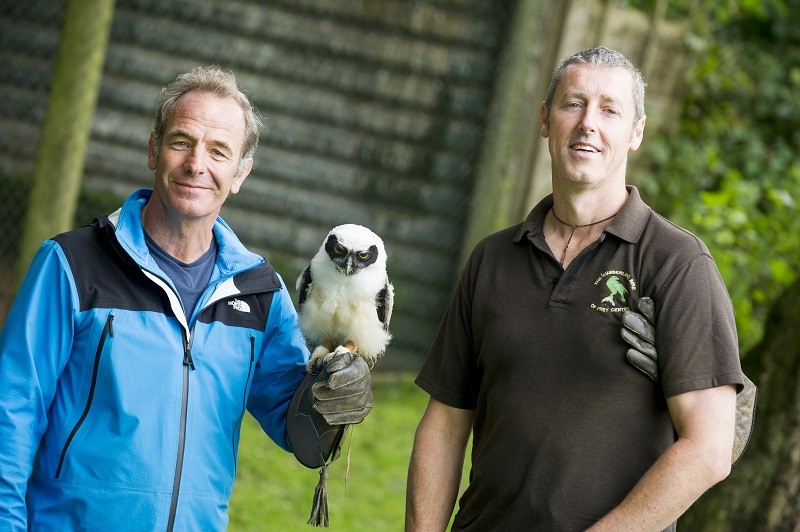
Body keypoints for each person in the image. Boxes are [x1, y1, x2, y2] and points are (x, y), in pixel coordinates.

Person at [0, 66, 371, 530]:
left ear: (240, 174)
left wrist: (334, 396)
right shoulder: (72, 264)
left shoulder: (259, 291)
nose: (198, 164)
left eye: (219, 151)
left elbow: (297, 427)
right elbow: (10, 413)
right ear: (153, 150)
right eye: (181, 142)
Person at [405, 46, 744, 531]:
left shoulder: (676, 264)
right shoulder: (493, 259)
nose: (589, 123)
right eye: (573, 103)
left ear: (637, 132)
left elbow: (709, 449)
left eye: (610, 110)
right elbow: (444, 424)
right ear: (546, 120)